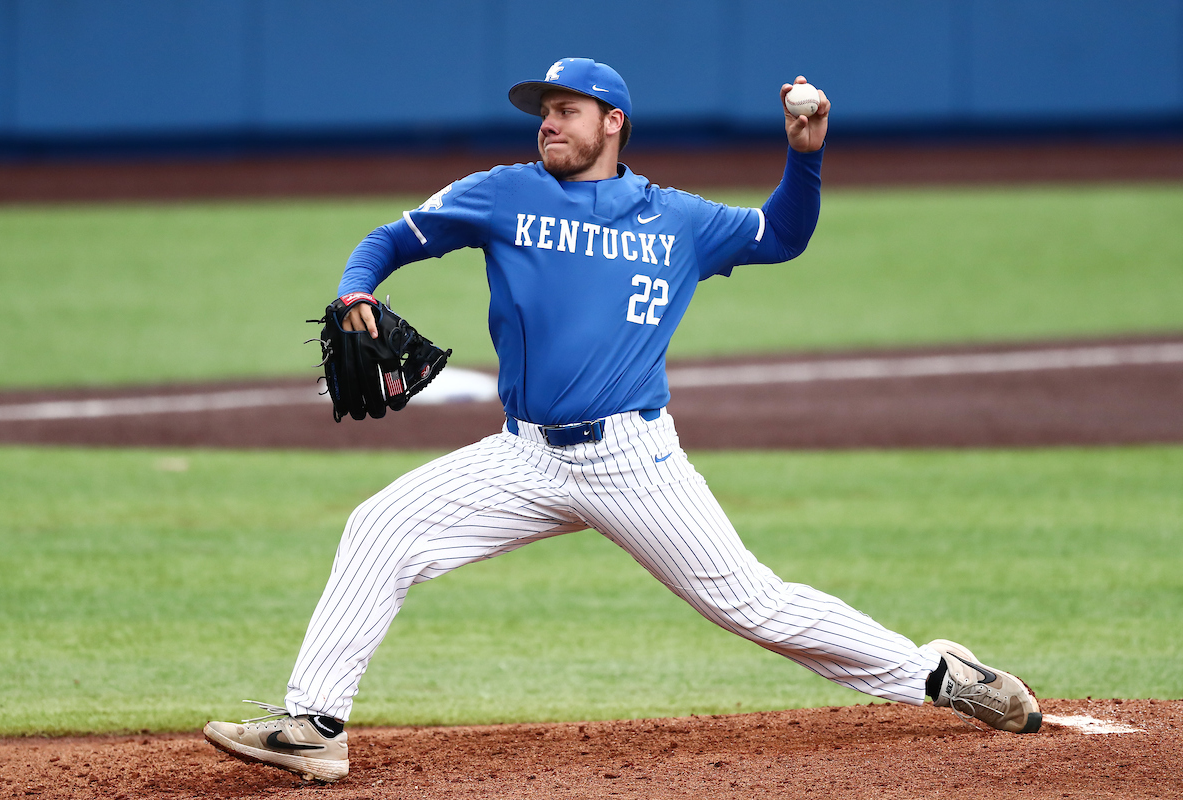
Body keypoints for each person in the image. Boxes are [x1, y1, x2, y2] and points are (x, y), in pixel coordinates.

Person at [203, 58, 1041, 783]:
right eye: (542, 113)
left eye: (566, 111)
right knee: (382, 526)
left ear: (613, 123)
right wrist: (358, 289)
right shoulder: (503, 193)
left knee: (755, 606)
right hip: (523, 458)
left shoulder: (679, 219)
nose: (548, 125)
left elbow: (782, 235)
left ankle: (938, 675)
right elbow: (393, 238)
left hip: (633, 462)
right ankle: (314, 727)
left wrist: (803, 157)